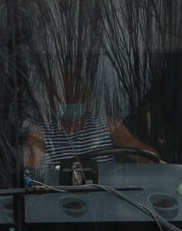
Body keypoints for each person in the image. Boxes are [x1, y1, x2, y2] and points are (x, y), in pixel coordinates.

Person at [22, 72, 157, 174]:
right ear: (55, 99)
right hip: (58, 204)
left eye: (77, 93)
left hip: (106, 202)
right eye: (65, 95)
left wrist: (155, 161)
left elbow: (141, 153)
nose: (71, 100)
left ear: (86, 97)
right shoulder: (41, 133)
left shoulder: (109, 125)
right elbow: (30, 174)